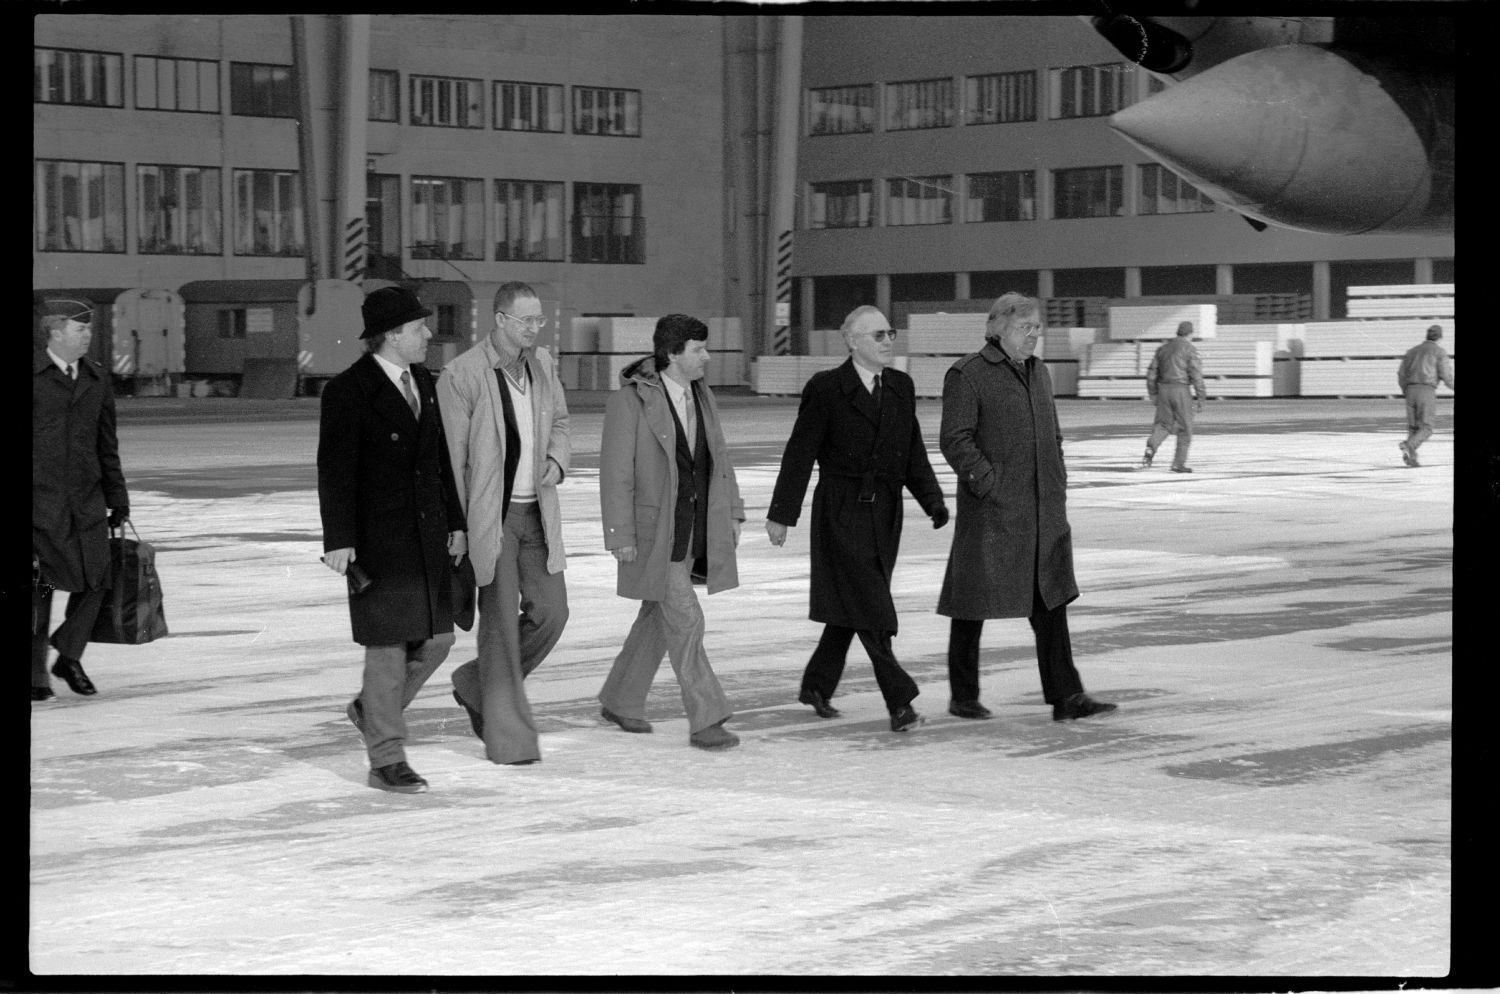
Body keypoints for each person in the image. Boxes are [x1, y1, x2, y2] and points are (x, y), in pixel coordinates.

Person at [766, 305, 949, 733]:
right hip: (841, 508)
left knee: (853, 602)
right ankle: (899, 701)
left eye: (891, 334)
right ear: (852, 341)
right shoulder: (827, 388)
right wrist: (782, 514)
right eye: (878, 335)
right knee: (871, 604)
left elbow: (912, 451)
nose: (888, 342)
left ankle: (816, 685)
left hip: (886, 511)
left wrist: (932, 499)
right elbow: (800, 453)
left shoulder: (901, 387)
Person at [938, 292, 1116, 723]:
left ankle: (1066, 696)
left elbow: (1051, 431)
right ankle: (963, 695)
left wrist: (1057, 476)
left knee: (1050, 602)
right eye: (1025, 327)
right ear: (998, 329)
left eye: (1037, 327)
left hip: (1043, 509)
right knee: (972, 603)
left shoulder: (1040, 373)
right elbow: (955, 439)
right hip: (994, 511)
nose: (1034, 335)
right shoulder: (969, 374)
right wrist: (988, 483)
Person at [318, 286, 468, 793]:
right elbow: (334, 472)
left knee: (439, 639)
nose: (429, 334)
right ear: (392, 335)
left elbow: (439, 459)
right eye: (419, 327)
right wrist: (338, 538)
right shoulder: (348, 391)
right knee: (385, 651)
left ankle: (370, 710)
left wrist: (456, 522)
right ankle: (386, 758)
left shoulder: (423, 382)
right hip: (377, 543)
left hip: (425, 537)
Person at [597, 314, 746, 751]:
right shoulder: (630, 402)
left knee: (658, 620)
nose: (708, 356)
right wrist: (618, 533)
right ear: (673, 353)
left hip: (694, 529)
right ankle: (707, 718)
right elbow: (615, 474)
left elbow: (719, 456)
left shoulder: (703, 395)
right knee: (686, 619)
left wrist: (732, 511)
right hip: (653, 532)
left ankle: (620, 699)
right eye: (699, 349)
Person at [437, 282, 570, 765]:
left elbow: (560, 422)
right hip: (491, 519)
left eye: (539, 320)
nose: (536, 329)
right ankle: (509, 737)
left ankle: (475, 684)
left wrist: (556, 458)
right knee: (499, 629)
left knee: (552, 614)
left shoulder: (543, 366)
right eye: (526, 321)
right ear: (500, 319)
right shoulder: (462, 375)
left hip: (538, 512)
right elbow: (450, 460)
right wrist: (457, 526)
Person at [32, 295, 129, 703]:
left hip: (86, 501)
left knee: (99, 579)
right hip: (40, 502)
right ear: (55, 332)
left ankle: (68, 655)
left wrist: (117, 496)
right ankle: (36, 675)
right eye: (80, 328)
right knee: (40, 588)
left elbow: (107, 442)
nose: (89, 335)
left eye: (89, 328)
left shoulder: (96, 378)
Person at [1141, 320, 1207, 473]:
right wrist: (1201, 398)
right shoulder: (1190, 349)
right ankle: (1178, 464)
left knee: (1163, 425)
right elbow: (1196, 375)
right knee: (1185, 428)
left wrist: (1153, 394)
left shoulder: (1162, 349)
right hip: (1181, 390)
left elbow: (1151, 375)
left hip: (1163, 389)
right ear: (1190, 334)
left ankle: (1151, 446)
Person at [1396, 324, 1455, 468]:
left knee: (1413, 428)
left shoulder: (1411, 352)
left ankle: (1411, 458)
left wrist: (1406, 390)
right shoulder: (1439, 352)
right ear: (1439, 338)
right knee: (1427, 427)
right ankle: (1408, 445)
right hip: (1426, 390)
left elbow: (1401, 374)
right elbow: (1446, 376)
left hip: (1410, 390)